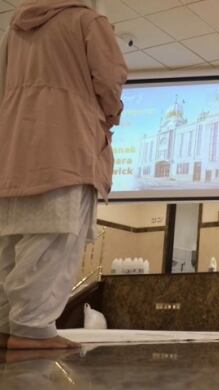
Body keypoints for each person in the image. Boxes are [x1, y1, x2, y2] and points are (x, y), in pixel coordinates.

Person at [0, 0, 128, 350]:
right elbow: (111, 78)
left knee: (11, 242)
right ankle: (31, 329)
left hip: (12, 147)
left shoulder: (14, 30)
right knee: (54, 239)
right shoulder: (87, 21)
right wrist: (111, 115)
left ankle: (6, 326)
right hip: (64, 144)